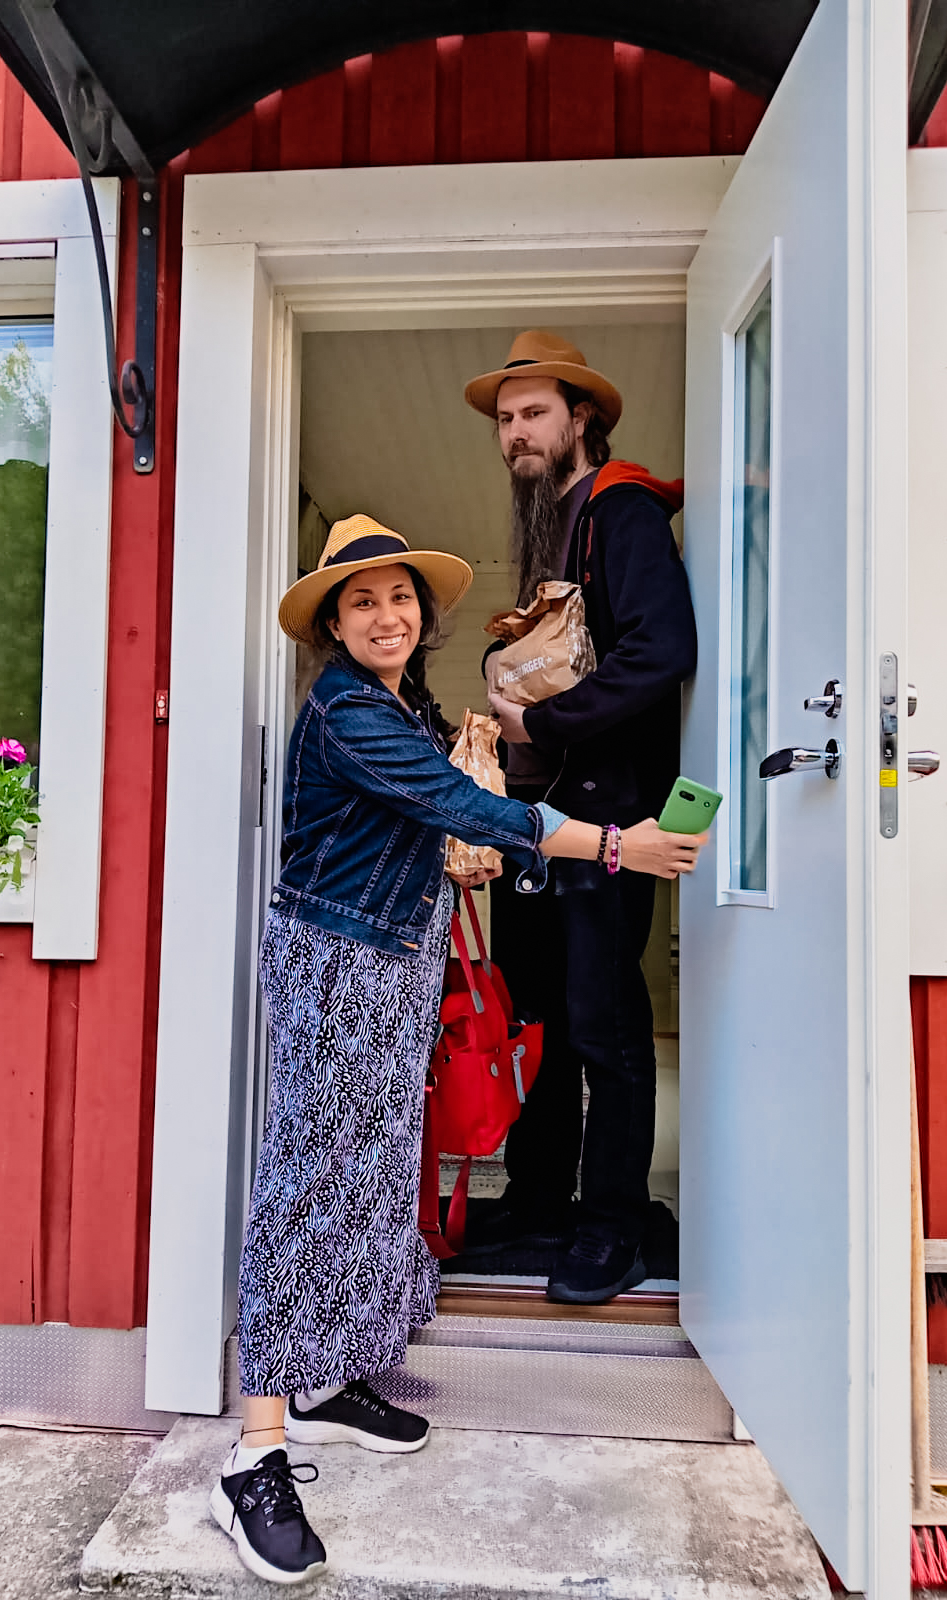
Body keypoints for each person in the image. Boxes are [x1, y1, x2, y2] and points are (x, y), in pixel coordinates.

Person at [211, 513, 704, 1584]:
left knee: (380, 1174)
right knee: (307, 1186)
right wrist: (622, 843)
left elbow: (423, 829)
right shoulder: (347, 710)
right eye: (361, 602)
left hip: (388, 962)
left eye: (399, 599)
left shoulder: (400, 702)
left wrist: (453, 863)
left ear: (419, 616)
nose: (386, 616)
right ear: (332, 627)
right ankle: (256, 1447)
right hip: (337, 966)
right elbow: (460, 802)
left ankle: (327, 1374)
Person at [463, 329, 698, 1305]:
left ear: (582, 419)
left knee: (607, 1028)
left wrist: (543, 716)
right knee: (540, 1019)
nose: (517, 432)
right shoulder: (551, 522)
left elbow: (661, 650)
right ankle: (538, 1196)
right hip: (538, 820)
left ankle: (612, 1223)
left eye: (535, 413)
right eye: (506, 419)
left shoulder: (621, 508)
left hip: (609, 818)